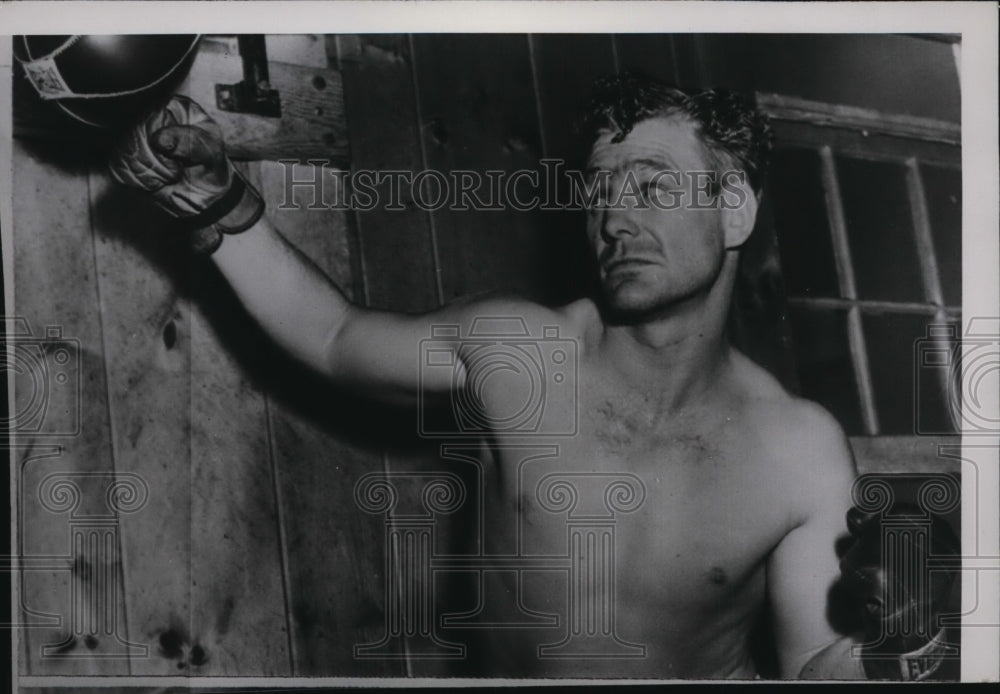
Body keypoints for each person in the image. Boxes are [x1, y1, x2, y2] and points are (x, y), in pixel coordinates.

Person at [109, 73, 861, 678]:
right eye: (598, 191)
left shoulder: (798, 451)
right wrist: (215, 200)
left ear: (732, 210)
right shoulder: (519, 351)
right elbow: (335, 337)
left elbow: (814, 674)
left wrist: (895, 652)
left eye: (655, 187)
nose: (614, 219)